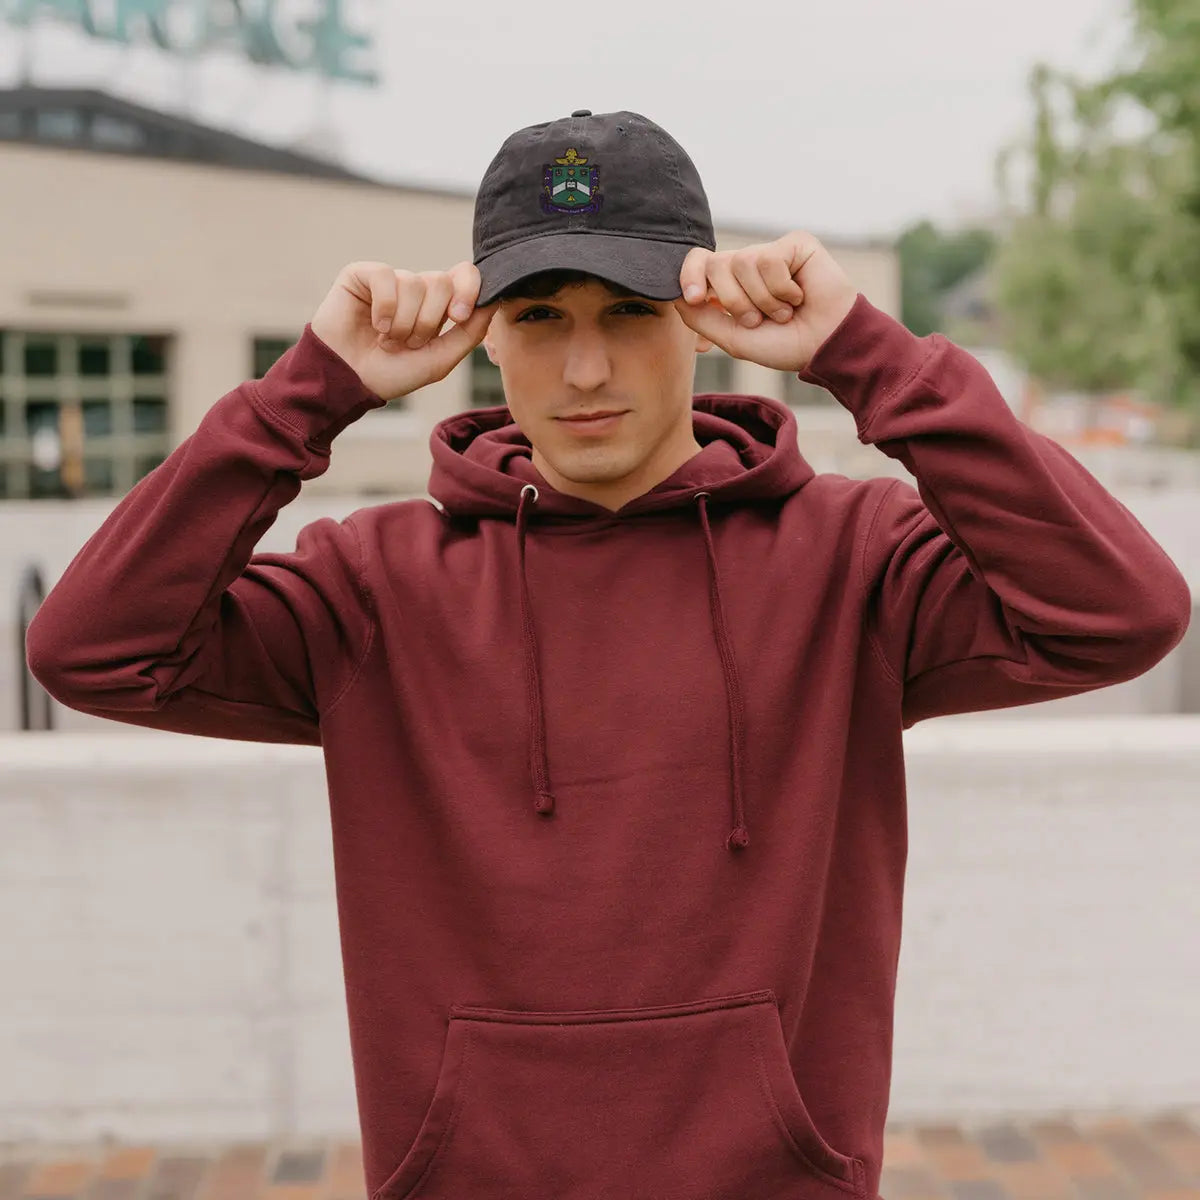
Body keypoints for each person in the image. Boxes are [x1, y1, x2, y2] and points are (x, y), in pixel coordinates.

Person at [26, 109, 1191, 1199]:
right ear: (485, 336)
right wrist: (309, 392)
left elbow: (1120, 612)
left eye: (630, 312)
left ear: (697, 318)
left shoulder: (855, 560)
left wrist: (864, 354)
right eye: (540, 318)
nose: (585, 371)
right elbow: (93, 649)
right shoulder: (371, 585)